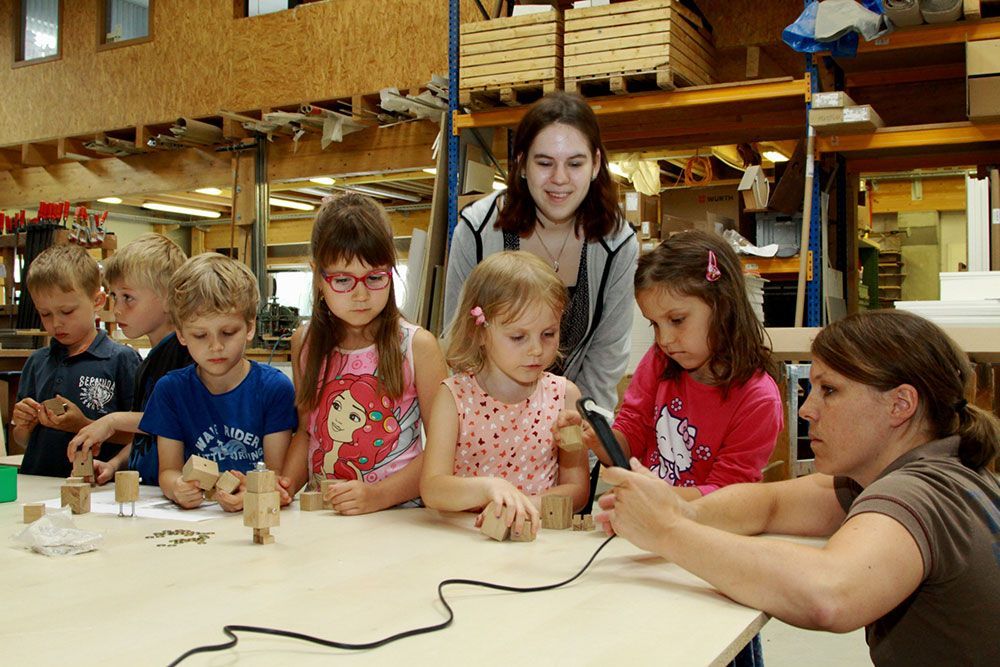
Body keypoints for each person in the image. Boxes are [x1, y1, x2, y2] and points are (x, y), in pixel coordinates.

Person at [597, 310, 1000, 667]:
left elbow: (828, 595)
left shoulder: (916, 491)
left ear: (900, 404)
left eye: (829, 390)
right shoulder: (949, 468)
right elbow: (770, 504)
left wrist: (668, 532)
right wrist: (680, 509)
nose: (807, 409)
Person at [444, 91, 638, 416]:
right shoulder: (477, 231)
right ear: (521, 163)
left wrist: (578, 439)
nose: (559, 179)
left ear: (595, 165)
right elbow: (459, 340)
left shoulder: (617, 244)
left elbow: (605, 358)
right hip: (486, 422)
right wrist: (481, 427)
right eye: (544, 163)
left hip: (572, 418)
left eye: (575, 164)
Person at [559, 230, 783, 499]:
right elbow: (630, 441)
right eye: (654, 324)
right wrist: (598, 438)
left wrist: (658, 499)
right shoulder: (659, 361)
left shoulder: (758, 400)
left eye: (677, 320)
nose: (664, 339)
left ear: (723, 306)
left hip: (707, 530)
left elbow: (726, 497)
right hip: (653, 518)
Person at [279, 193, 447, 514]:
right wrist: (283, 486)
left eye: (374, 277)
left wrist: (378, 496)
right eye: (343, 280)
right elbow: (307, 432)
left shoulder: (417, 347)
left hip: (399, 518)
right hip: (327, 518)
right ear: (318, 276)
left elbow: (443, 449)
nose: (360, 295)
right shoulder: (306, 343)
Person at [422, 251, 591, 537]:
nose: (536, 349)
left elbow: (577, 491)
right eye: (518, 337)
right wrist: (491, 489)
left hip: (542, 544)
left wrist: (520, 505)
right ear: (480, 332)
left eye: (548, 334)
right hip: (464, 543)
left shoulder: (564, 397)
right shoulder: (454, 397)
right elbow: (433, 488)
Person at [140, 253, 295, 511]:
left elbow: (276, 475)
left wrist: (252, 492)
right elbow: (167, 471)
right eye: (200, 335)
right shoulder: (170, 391)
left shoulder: (274, 389)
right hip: (198, 520)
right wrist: (178, 487)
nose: (216, 346)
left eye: (228, 332)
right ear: (180, 334)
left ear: (249, 327)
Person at [66, 233, 191, 485]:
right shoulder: (147, 361)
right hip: (146, 490)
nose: (117, 309)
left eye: (128, 297)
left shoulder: (186, 355)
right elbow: (146, 435)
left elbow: (173, 420)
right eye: (114, 296)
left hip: (178, 489)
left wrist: (112, 421)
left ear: (169, 298)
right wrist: (115, 465)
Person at [11, 244, 140, 478]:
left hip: (97, 487)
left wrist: (83, 424)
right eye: (45, 314)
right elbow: (23, 441)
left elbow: (140, 436)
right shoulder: (37, 362)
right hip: (38, 480)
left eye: (67, 311)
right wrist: (23, 425)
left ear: (98, 301)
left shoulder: (121, 360)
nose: (56, 323)